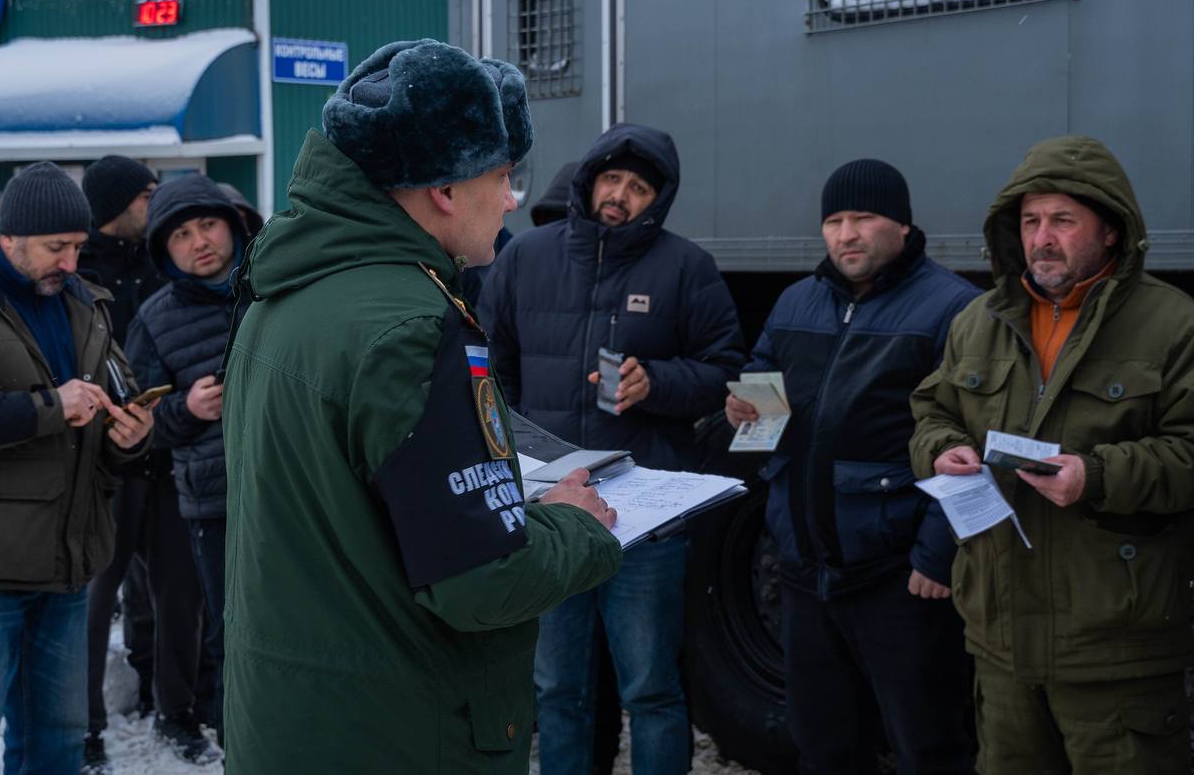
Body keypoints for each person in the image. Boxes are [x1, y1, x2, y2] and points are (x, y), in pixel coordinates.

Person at [220, 38, 623, 774]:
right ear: (444, 188)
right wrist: (577, 525)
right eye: (502, 176)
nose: (509, 199)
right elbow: (482, 579)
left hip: (295, 722)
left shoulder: (281, 296)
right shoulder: (411, 324)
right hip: (401, 732)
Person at [910, 135, 1194, 774]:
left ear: (1111, 231)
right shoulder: (977, 320)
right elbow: (932, 410)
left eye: (1063, 221)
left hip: (1116, 647)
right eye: (1031, 221)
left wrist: (1095, 476)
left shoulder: (1174, 324)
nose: (1042, 237)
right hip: (1001, 642)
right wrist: (944, 449)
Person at [479, 122, 745, 775]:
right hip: (554, 514)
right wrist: (520, 454)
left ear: (659, 199)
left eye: (639, 187)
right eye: (613, 179)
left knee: (651, 690)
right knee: (557, 691)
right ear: (590, 179)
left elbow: (725, 374)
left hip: (646, 521)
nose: (621, 195)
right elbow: (489, 366)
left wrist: (656, 382)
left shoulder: (687, 267)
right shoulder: (526, 258)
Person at [725, 159, 979, 773]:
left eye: (863, 218)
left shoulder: (955, 310)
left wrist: (937, 554)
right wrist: (743, 412)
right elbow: (767, 412)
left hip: (899, 580)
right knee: (826, 747)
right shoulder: (795, 303)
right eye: (835, 221)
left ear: (902, 224)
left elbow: (975, 443)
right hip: (806, 575)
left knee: (931, 747)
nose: (847, 234)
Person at [0, 161, 155, 774]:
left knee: (55, 745)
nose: (71, 262)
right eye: (56, 248)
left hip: (67, 566)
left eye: (77, 246)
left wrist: (130, 436)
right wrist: (50, 406)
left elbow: (111, 408)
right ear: (10, 236)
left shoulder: (86, 303)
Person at [78, 155, 206, 772]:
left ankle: (176, 711)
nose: (154, 204)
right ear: (115, 204)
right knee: (97, 598)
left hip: (169, 452)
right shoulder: (76, 269)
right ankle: (87, 725)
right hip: (103, 462)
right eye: (145, 194)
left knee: (179, 594)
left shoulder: (161, 260)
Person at [126, 174, 248, 763]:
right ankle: (235, 742)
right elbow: (141, 422)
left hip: (292, 489)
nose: (199, 241)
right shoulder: (154, 318)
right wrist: (185, 408)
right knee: (226, 629)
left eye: (207, 224)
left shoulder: (273, 288)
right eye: (180, 234)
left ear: (231, 225)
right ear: (163, 249)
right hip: (214, 499)